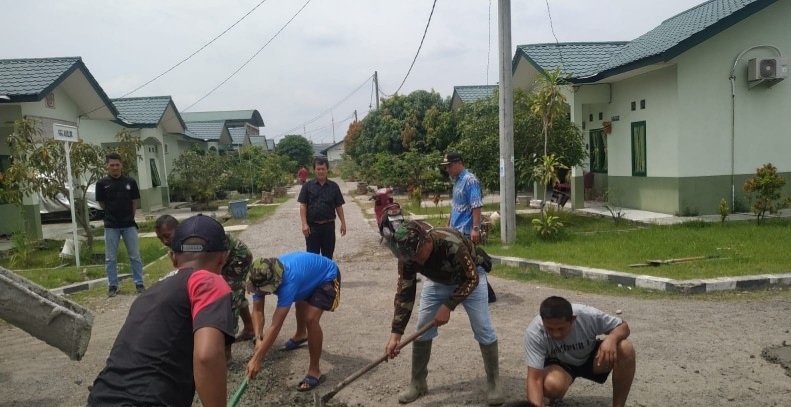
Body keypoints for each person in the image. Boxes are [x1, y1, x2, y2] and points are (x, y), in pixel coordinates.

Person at [87, 214, 234, 407]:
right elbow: (207, 356)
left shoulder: (148, 294)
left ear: (173, 257)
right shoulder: (207, 281)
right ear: (224, 257)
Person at [384, 220, 503, 406]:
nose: (415, 261)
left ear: (427, 242)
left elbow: (472, 279)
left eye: (417, 255)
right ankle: (418, 382)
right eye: (410, 258)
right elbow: (405, 294)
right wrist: (395, 334)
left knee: (483, 327)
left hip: (470, 278)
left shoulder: (451, 243)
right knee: (423, 327)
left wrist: (449, 306)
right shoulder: (407, 255)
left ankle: (494, 382)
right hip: (438, 282)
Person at [155, 215, 255, 358]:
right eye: (160, 238)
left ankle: (226, 351)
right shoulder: (178, 243)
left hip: (236, 257)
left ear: (177, 229)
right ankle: (250, 328)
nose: (164, 241)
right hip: (220, 258)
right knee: (236, 294)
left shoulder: (194, 236)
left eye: (166, 236)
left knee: (231, 298)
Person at [245, 251, 341, 392]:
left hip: (327, 276)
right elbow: (257, 310)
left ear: (275, 282)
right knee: (300, 300)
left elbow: (276, 325)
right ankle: (301, 335)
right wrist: (258, 338)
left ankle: (315, 371)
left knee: (311, 319)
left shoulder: (288, 282)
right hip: (308, 276)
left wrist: (257, 358)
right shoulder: (260, 276)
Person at [523, 296, 636, 407]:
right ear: (543, 321)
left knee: (625, 348)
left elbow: (623, 326)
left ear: (572, 319)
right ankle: (551, 401)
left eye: (561, 328)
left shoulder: (587, 315)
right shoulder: (534, 332)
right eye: (550, 329)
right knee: (551, 385)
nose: (556, 334)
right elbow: (534, 378)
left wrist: (611, 339)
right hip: (560, 365)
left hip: (592, 359)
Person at [440, 151, 497, 303]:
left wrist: (475, 229)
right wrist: (449, 224)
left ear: (458, 163)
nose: (448, 170)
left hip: (466, 231)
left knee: (470, 262)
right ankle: (470, 290)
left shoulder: (470, 180)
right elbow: (456, 206)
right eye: (446, 167)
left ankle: (487, 294)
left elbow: (476, 206)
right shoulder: (457, 181)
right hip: (455, 229)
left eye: (449, 166)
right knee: (465, 262)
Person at [95, 152, 144, 297]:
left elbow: (134, 201)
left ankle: (139, 283)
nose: (115, 167)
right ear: (107, 166)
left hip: (129, 224)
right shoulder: (101, 184)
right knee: (110, 258)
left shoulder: (130, 182)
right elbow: (102, 203)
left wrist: (131, 216)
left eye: (117, 165)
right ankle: (113, 286)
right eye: (112, 165)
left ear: (121, 165)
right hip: (111, 226)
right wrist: (111, 215)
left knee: (134, 255)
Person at [298, 156, 346, 259]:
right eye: (318, 169)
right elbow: (303, 205)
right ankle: (314, 275)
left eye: (323, 169)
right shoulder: (307, 186)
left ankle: (327, 275)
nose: (321, 171)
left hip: (329, 227)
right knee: (312, 257)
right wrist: (304, 224)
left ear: (327, 169)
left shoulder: (334, 186)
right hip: (312, 228)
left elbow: (338, 205)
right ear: (314, 170)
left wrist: (343, 223)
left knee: (328, 256)